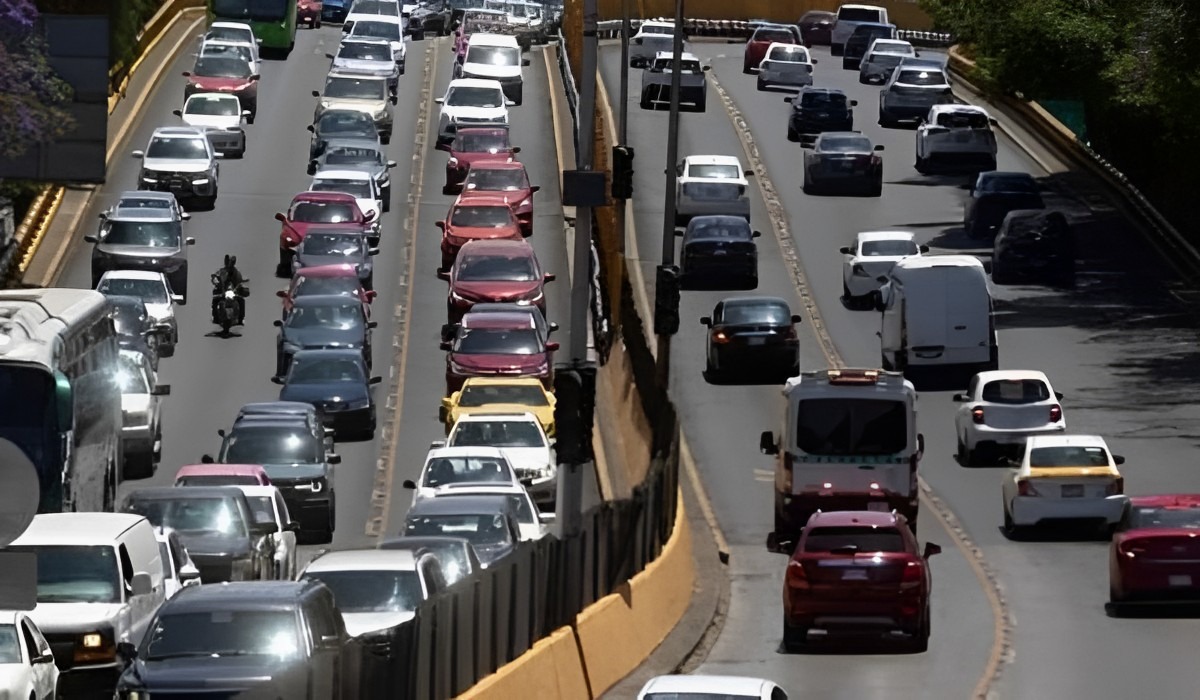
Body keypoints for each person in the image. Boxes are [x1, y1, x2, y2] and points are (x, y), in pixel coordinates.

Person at [211, 254, 248, 325]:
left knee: (241, 301)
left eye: (231, 262)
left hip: (233, 292)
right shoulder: (221, 271)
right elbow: (215, 277)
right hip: (222, 291)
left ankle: (241, 319)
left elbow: (240, 281)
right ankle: (215, 318)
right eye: (228, 262)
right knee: (215, 301)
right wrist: (215, 280)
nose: (229, 264)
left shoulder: (237, 272)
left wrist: (240, 286)